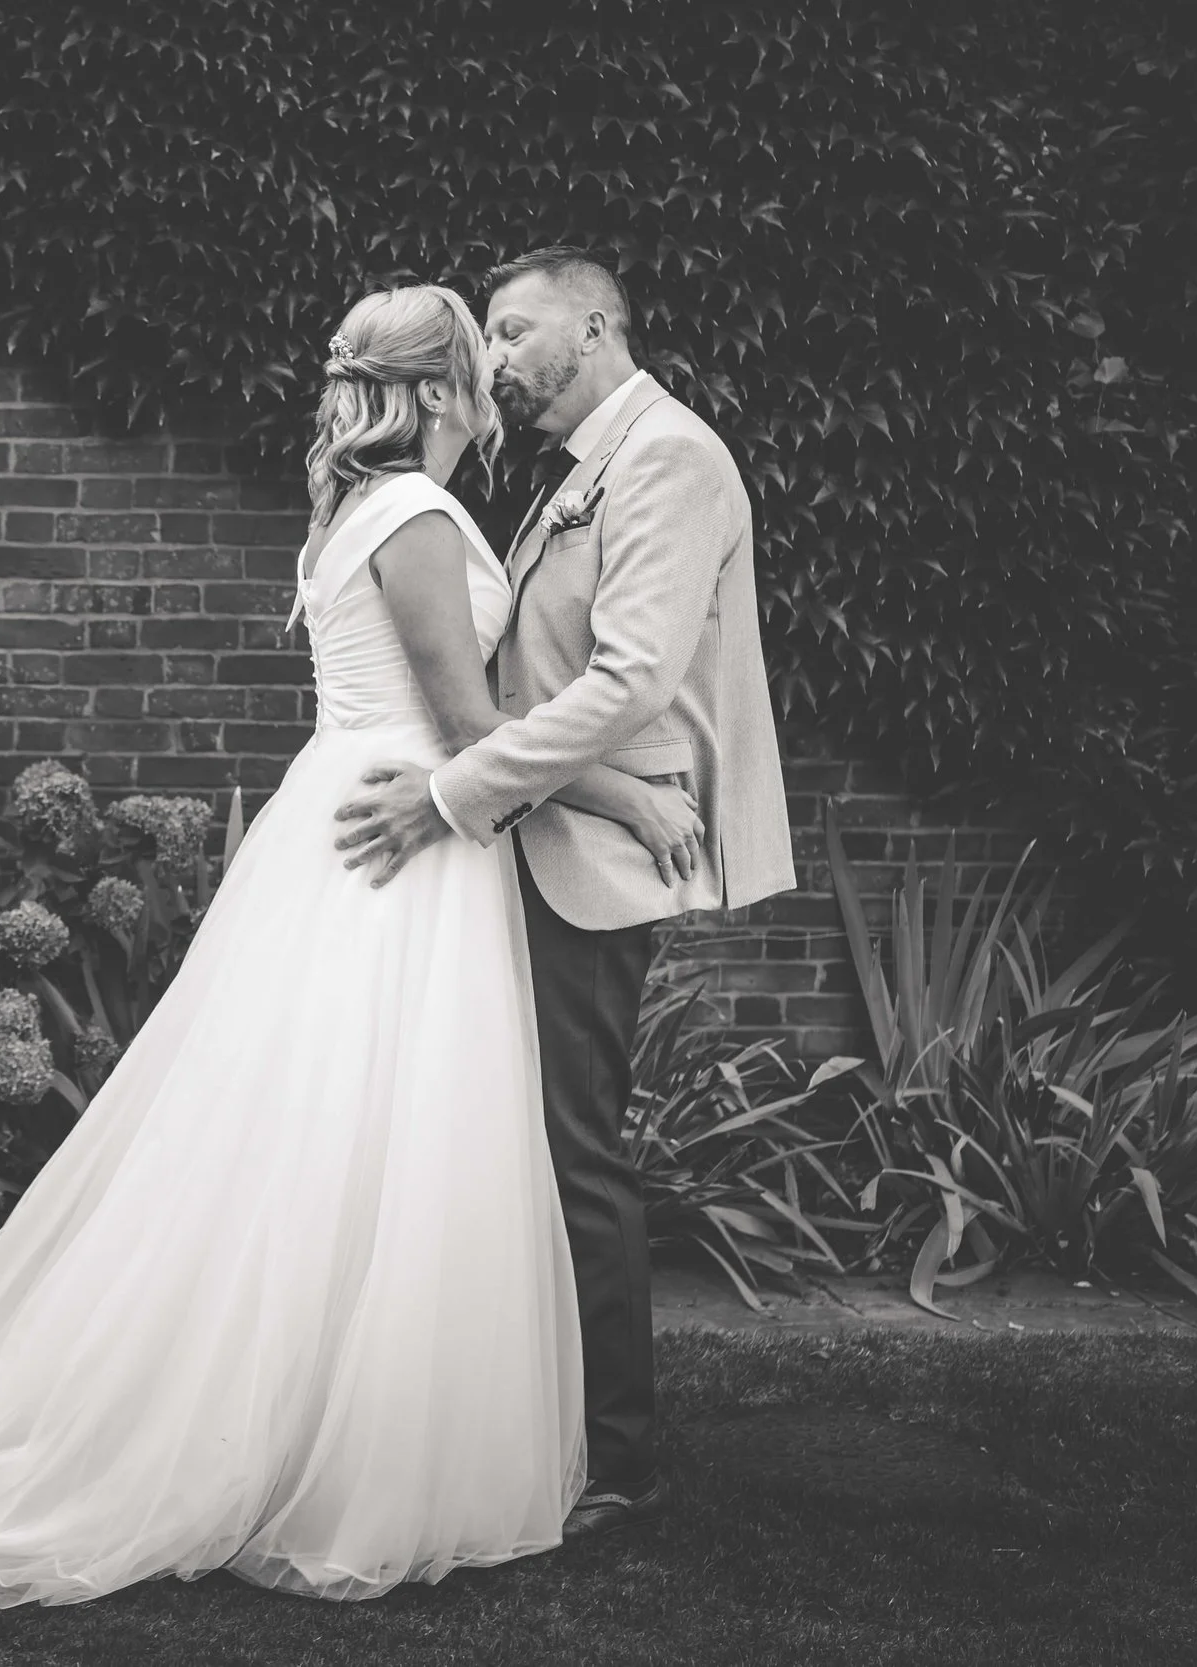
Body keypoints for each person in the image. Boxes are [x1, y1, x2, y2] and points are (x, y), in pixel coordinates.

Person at [0, 283, 711, 1608]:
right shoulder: (421, 517)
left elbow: (476, 715)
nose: (503, 374)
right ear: (443, 392)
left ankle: (317, 1400)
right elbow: (465, 724)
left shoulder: (359, 512)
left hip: (351, 819)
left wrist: (610, 787)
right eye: (485, 353)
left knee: (321, 1147)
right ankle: (337, 1440)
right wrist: (620, 788)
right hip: (403, 842)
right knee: (380, 1145)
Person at [333, 248, 796, 1538]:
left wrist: (454, 794)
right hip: (539, 837)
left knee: (579, 1152)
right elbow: (528, 681)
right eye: (484, 330)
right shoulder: (580, 465)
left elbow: (629, 680)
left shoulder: (668, 456)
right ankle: (524, 1418)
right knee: (517, 1145)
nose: (495, 352)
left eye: (515, 327)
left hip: (577, 866)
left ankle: (621, 1459)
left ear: (594, 327)